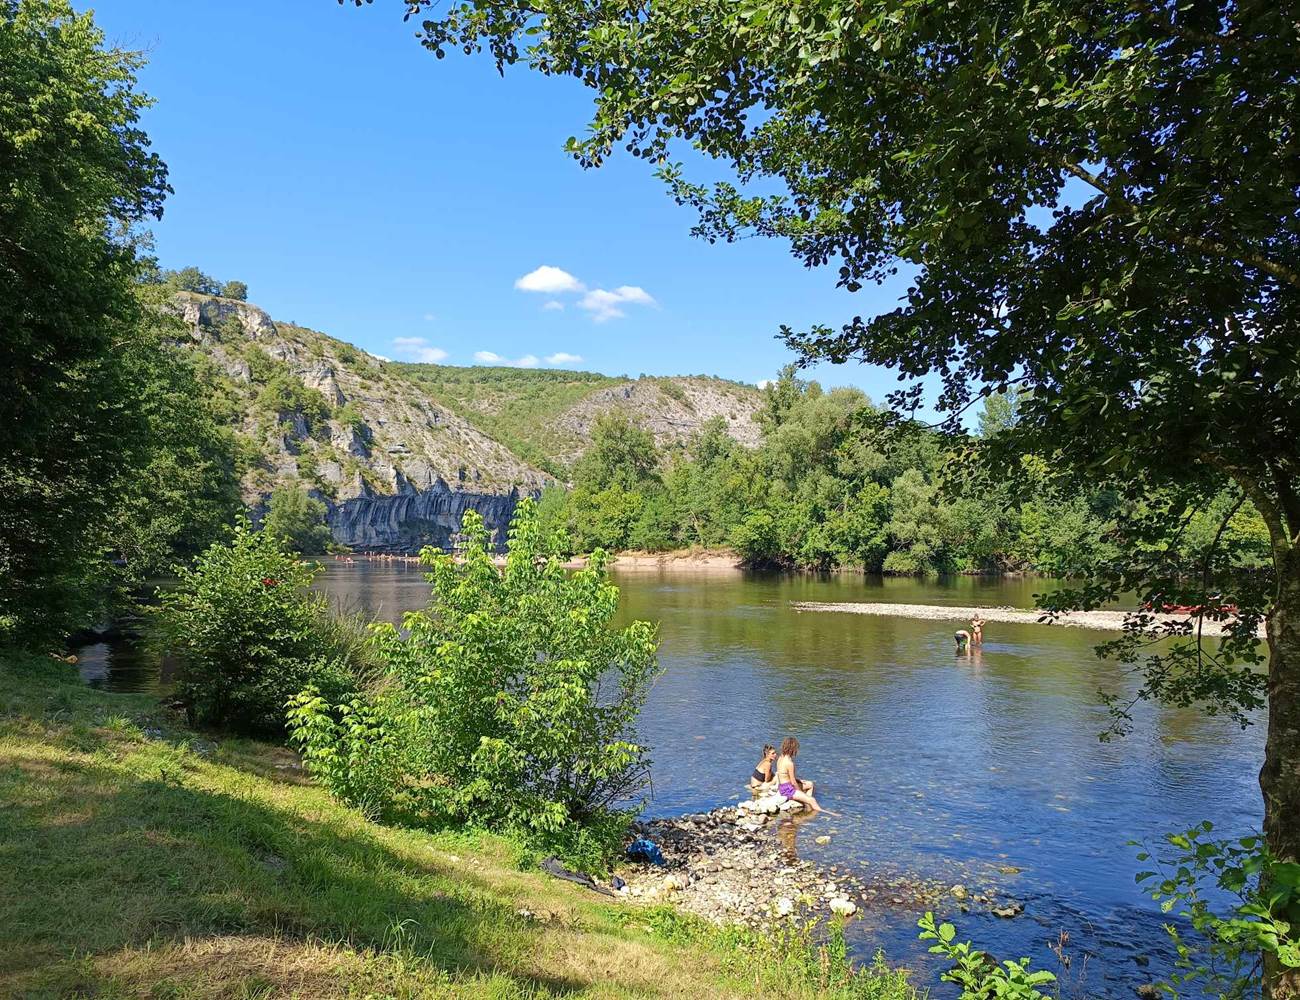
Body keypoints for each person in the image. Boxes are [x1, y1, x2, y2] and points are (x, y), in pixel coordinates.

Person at [775, 736, 821, 812]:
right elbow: (793, 783)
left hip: (782, 787)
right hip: (788, 790)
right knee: (812, 800)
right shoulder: (790, 763)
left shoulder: (780, 758)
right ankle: (822, 812)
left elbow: (784, 776)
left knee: (810, 784)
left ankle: (806, 806)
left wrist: (799, 780)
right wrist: (801, 792)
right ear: (793, 749)